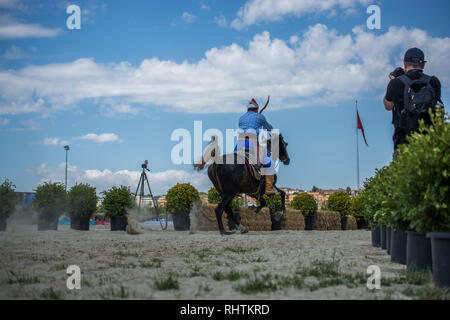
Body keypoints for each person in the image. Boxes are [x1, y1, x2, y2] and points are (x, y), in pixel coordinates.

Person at [383, 47, 443, 152]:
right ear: (423, 64)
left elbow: (388, 106)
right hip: (430, 141)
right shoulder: (433, 82)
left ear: (405, 63)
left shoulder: (397, 83)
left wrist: (393, 80)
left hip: (404, 142)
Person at [235, 98, 276, 195]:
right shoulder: (259, 117)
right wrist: (264, 127)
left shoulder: (241, 118)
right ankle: (269, 189)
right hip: (252, 144)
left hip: (239, 145)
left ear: (247, 109)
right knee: (269, 162)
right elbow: (270, 128)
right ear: (256, 109)